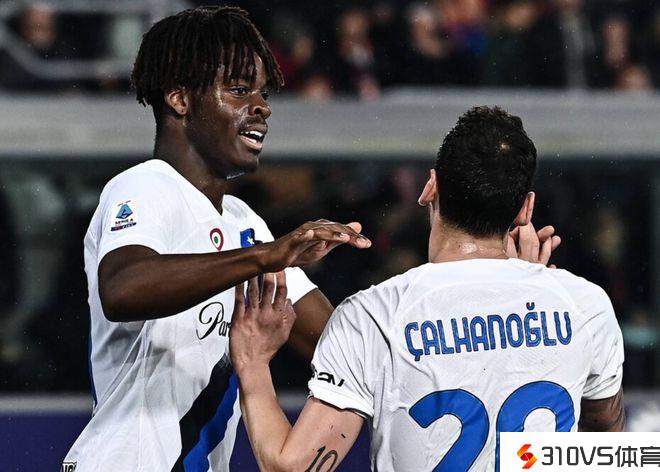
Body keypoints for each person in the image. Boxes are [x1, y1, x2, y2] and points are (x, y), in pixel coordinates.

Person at [62, 7, 374, 471]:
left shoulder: (245, 223)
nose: (262, 106)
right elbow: (123, 288)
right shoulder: (144, 186)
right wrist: (265, 257)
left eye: (263, 92)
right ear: (179, 98)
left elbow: (334, 346)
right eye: (239, 90)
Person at [230, 106, 625, 472]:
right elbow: (607, 448)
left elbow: (291, 467)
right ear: (525, 208)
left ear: (430, 188)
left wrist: (252, 362)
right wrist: (532, 293)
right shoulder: (584, 304)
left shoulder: (373, 314)